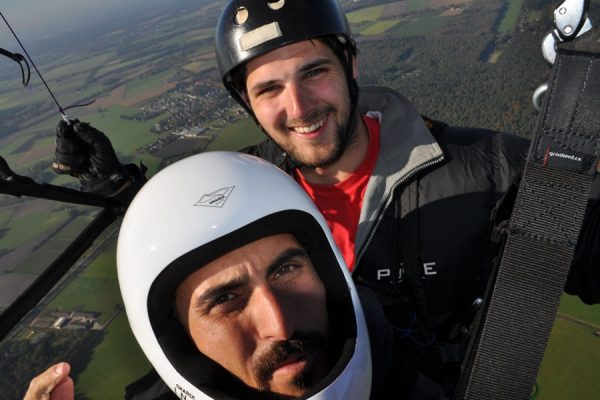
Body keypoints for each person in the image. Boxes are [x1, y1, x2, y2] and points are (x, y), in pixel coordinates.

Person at [50, 0, 600, 395]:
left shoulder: (489, 170)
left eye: (314, 72)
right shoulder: (241, 194)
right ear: (246, 103)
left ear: (350, 66)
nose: (300, 106)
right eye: (268, 89)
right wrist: (127, 196)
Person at [24, 152, 449, 400]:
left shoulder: (428, 373)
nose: (279, 325)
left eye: (286, 269)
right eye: (226, 298)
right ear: (177, 339)